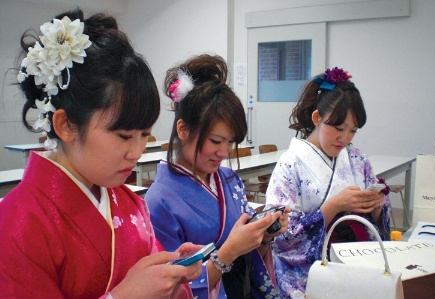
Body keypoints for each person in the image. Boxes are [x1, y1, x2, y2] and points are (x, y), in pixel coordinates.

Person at [0, 9, 202, 298]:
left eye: (145, 134)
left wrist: (169, 274)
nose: (137, 151)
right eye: (124, 136)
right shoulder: (18, 221)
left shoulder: (128, 201)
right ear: (66, 125)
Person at [144, 54, 290, 299]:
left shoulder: (228, 178)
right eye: (215, 141)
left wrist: (264, 236)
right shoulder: (159, 201)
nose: (224, 152)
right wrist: (226, 254)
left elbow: (250, 254)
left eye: (230, 142)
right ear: (183, 129)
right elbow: (168, 288)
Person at [264, 67, 391, 298]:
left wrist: (377, 207)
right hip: (308, 272)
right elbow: (280, 234)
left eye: (353, 130)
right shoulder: (290, 164)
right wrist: (333, 206)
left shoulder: (357, 159)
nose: (345, 138)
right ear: (317, 118)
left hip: (356, 261)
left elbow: (378, 223)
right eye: (339, 128)